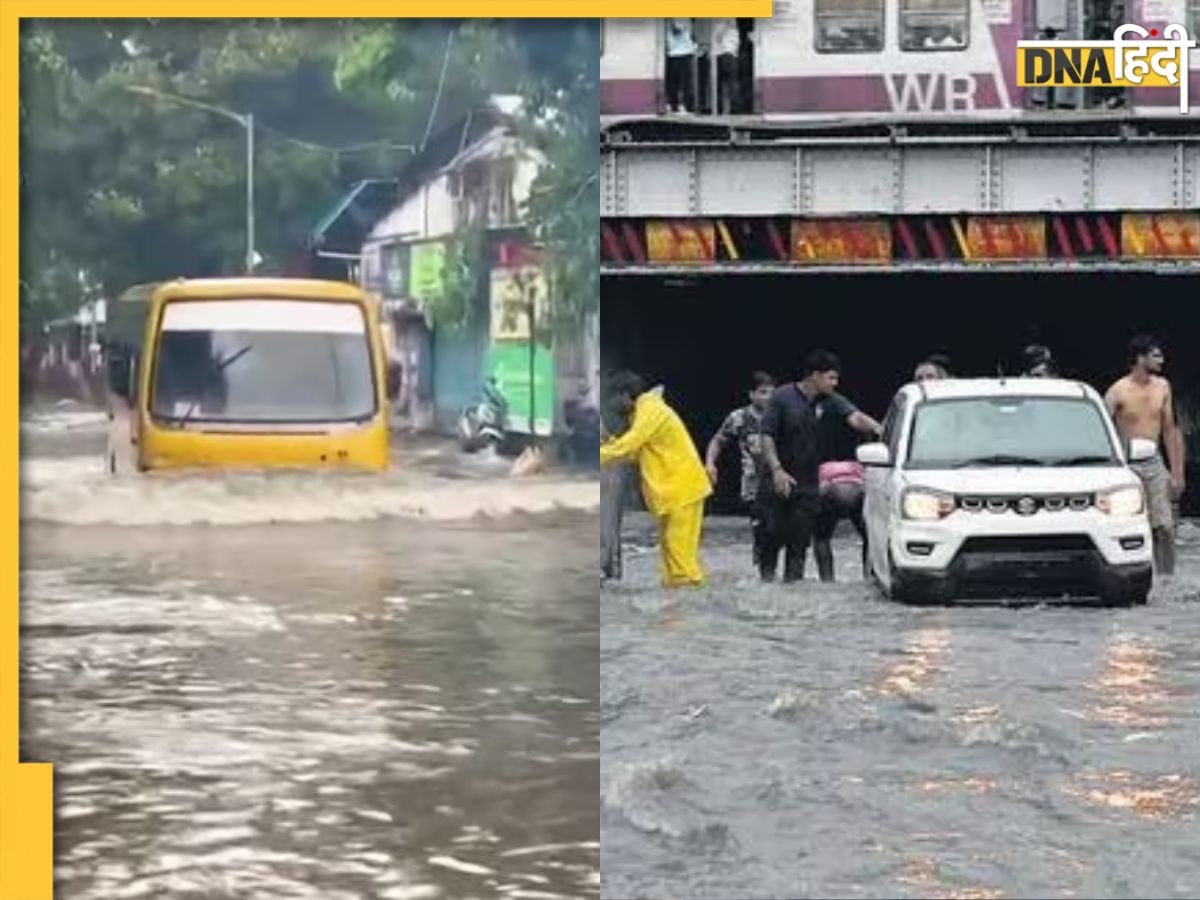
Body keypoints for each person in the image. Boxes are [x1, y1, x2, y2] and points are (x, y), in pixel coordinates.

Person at [601, 371, 712, 588]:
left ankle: (692, 608)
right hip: (672, 492)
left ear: (624, 394)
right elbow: (635, 452)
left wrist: (594, 456)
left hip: (683, 490)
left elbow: (630, 445)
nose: (611, 406)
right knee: (670, 554)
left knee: (680, 558)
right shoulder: (643, 413)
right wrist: (609, 445)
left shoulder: (650, 409)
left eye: (612, 399)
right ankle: (674, 612)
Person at [1105, 335, 1186, 576]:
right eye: (1156, 355)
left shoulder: (1163, 387)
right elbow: (1101, 431)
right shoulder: (1117, 391)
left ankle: (1167, 581)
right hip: (1124, 465)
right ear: (1140, 358)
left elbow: (1171, 429)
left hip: (1153, 462)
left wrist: (1177, 473)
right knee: (1129, 525)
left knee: (1165, 526)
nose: (1162, 360)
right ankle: (1132, 575)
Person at [759, 350, 842, 583]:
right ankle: (765, 588)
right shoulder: (782, 397)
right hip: (777, 481)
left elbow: (854, 416)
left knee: (799, 544)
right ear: (815, 376)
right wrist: (777, 470)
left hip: (807, 485)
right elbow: (767, 435)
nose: (835, 384)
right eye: (831, 378)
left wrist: (879, 431)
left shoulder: (830, 400)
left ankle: (792, 596)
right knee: (771, 538)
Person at [705, 371, 775, 569]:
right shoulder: (739, 417)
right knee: (761, 527)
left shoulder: (780, 414)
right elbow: (718, 441)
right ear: (751, 394)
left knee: (780, 528)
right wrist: (710, 463)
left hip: (779, 478)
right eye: (763, 392)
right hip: (753, 482)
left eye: (772, 393)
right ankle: (763, 567)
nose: (768, 397)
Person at [665, 19, 697, 113]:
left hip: (683, 52)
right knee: (674, 82)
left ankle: (686, 106)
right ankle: (674, 105)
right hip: (673, 52)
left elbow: (677, 28)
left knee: (683, 83)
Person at [711, 18, 740, 114]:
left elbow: (718, 36)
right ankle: (732, 108)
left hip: (724, 53)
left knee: (722, 83)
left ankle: (723, 108)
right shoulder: (733, 29)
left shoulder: (722, 25)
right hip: (729, 53)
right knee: (730, 82)